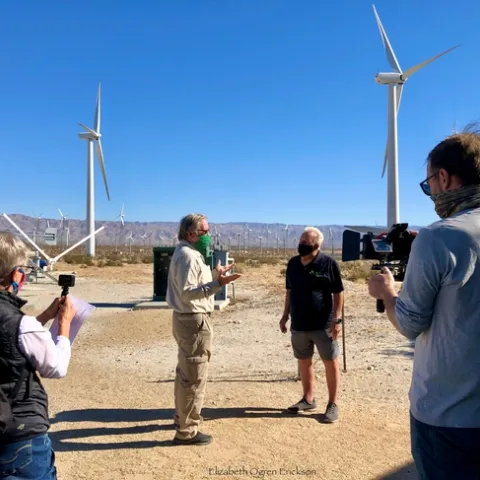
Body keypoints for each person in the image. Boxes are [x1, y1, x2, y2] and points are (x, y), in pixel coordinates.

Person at [368, 126, 480, 479]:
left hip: (450, 417)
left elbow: (410, 323)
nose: (429, 192)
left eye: (428, 183)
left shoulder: (440, 236)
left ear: (444, 178)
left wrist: (386, 292)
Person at [0, 232, 75, 479]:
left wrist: (44, 317)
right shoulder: (19, 324)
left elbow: (12, 340)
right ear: (15, 274)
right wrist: (64, 325)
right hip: (19, 437)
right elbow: (55, 367)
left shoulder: (22, 325)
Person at [166, 214, 240, 446]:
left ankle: (182, 418)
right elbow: (189, 292)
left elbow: (195, 285)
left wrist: (216, 274)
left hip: (188, 319)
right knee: (194, 377)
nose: (208, 236)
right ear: (191, 233)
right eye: (204, 231)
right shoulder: (188, 256)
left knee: (186, 373)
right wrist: (219, 284)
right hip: (193, 321)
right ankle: (187, 431)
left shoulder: (189, 254)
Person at [280, 226, 344, 423]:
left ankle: (332, 404)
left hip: (323, 324)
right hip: (299, 324)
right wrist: (285, 315)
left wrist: (337, 319)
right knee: (304, 361)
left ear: (317, 245)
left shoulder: (328, 264)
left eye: (306, 243)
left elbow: (338, 292)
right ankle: (308, 399)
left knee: (330, 362)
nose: (302, 245)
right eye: (301, 241)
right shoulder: (292, 264)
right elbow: (289, 291)